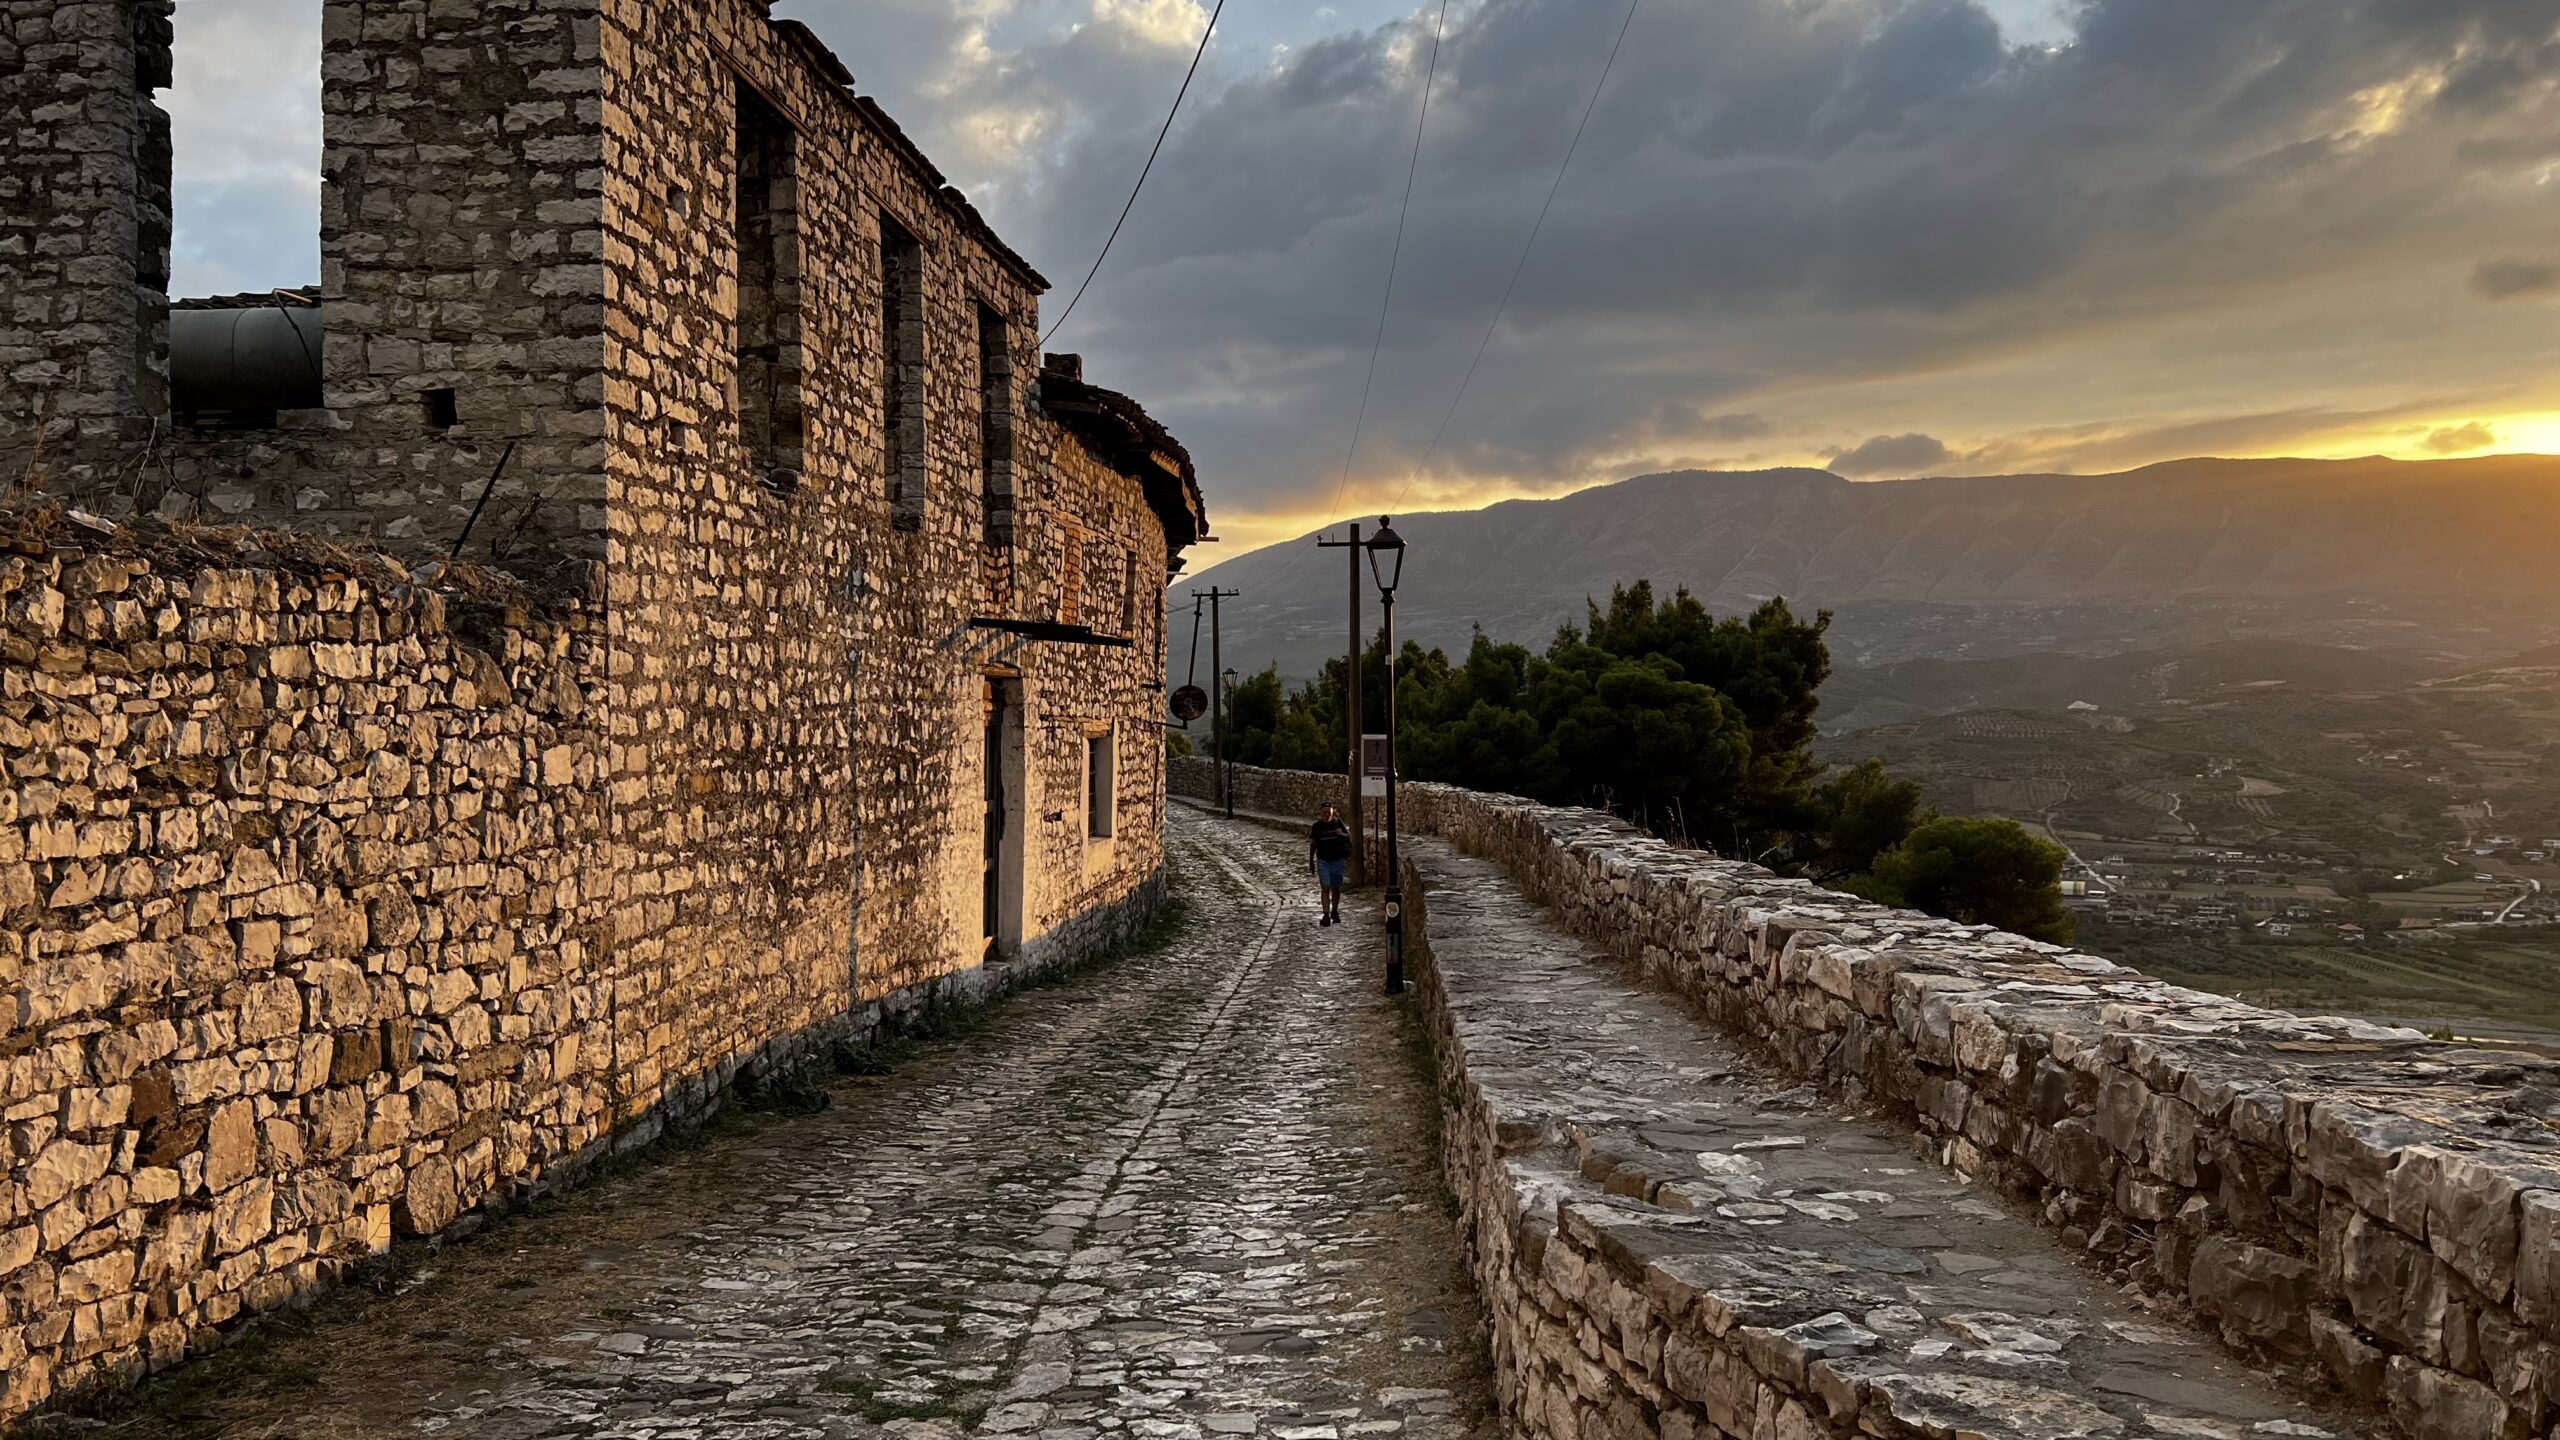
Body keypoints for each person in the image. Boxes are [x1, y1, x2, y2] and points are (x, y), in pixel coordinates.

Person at [1309, 803, 1354, 926]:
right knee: (1325, 887)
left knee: (1336, 888)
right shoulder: (1317, 827)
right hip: (1323, 860)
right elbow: (1313, 844)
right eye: (1324, 812)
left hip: (1337, 860)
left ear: (1332, 812)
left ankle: (1334, 910)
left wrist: (1342, 834)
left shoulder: (1337, 823)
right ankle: (1326, 914)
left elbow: (1348, 836)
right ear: (1320, 813)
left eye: (1329, 812)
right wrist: (1311, 861)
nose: (1327, 814)